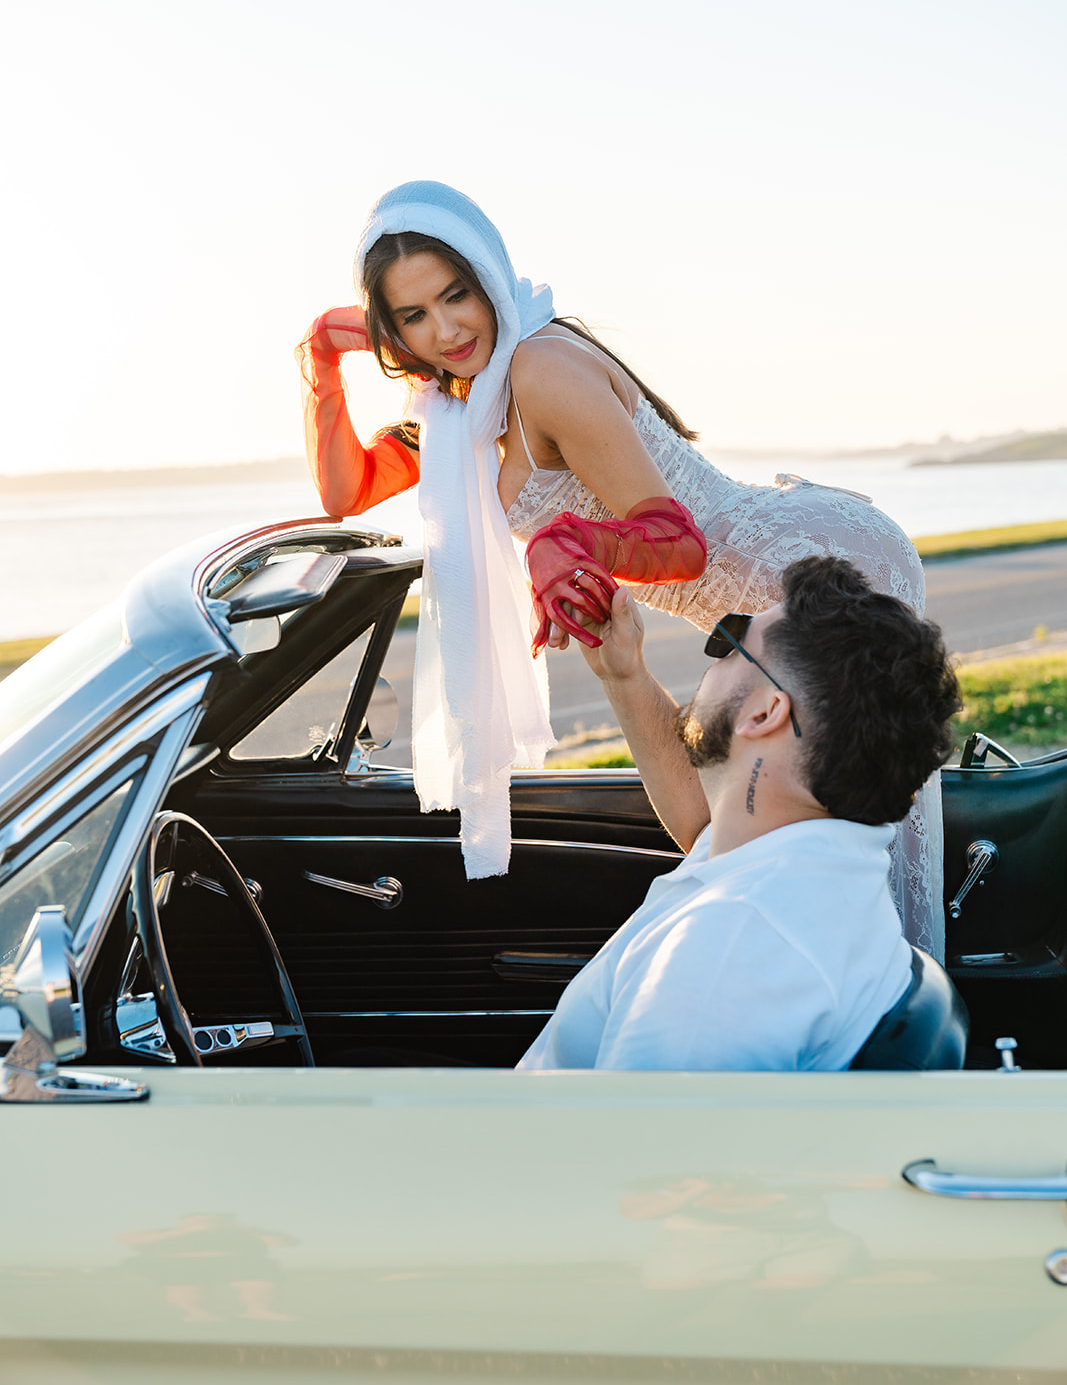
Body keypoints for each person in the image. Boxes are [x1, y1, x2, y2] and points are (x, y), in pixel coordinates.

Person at [296, 181, 941, 958]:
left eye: (456, 295)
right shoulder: (462, 414)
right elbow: (347, 488)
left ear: (487, 274)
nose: (444, 329)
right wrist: (320, 361)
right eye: (412, 316)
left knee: (832, 824)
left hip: (807, 565)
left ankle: (888, 1006)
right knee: (759, 827)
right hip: (744, 606)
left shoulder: (539, 370)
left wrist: (561, 543)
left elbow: (676, 546)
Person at [517, 555, 960, 1072]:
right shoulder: (800, 856)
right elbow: (703, 826)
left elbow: (630, 1147)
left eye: (728, 643)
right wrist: (624, 673)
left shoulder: (725, 954)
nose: (711, 661)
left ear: (766, 712)